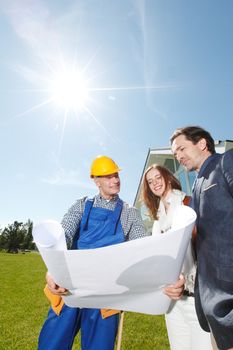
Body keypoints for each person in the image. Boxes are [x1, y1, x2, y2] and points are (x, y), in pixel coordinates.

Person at [38, 155, 184, 350]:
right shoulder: (81, 206)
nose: (115, 180)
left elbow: (142, 248)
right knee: (52, 344)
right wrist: (52, 271)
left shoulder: (129, 212)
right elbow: (61, 237)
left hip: (107, 295)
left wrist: (161, 272)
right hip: (69, 288)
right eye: (108, 177)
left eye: (116, 175)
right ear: (96, 181)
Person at [170, 126, 233, 350]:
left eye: (181, 148)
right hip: (215, 311)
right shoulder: (196, 186)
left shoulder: (226, 161)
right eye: (174, 153)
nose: (178, 156)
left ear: (202, 143)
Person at [142, 164, 212, 350]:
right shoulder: (157, 218)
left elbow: (207, 247)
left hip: (195, 297)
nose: (155, 183)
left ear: (167, 177)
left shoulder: (189, 203)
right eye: (150, 182)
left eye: (158, 177)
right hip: (171, 299)